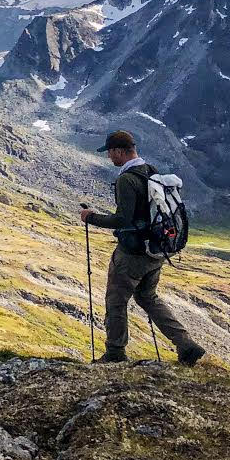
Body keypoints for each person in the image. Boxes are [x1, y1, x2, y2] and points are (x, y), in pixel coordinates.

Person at [80, 130, 205, 365]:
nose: (109, 157)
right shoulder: (151, 171)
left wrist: (91, 217)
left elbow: (123, 219)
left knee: (116, 300)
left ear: (118, 151)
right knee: (148, 297)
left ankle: (116, 352)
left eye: (110, 152)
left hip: (132, 255)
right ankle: (186, 344)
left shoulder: (127, 179)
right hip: (156, 250)